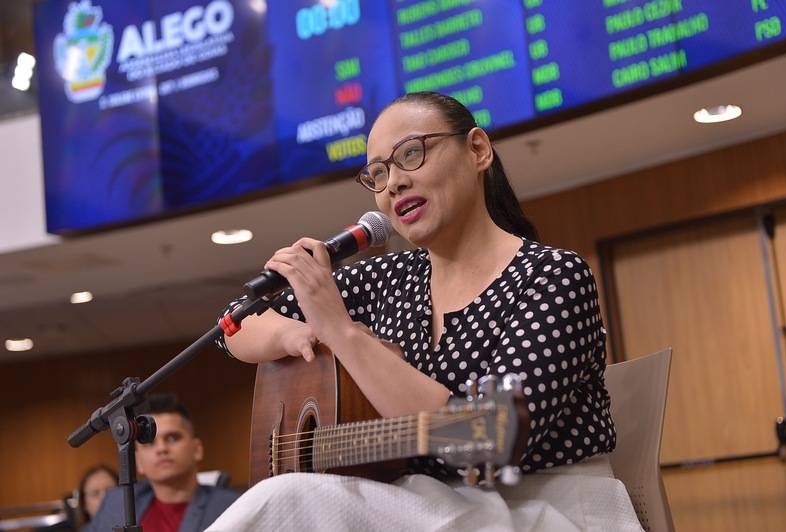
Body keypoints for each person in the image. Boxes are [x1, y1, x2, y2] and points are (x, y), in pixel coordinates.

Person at [208, 91, 643, 530]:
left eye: (411, 154)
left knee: (288, 498)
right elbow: (235, 323)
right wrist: (301, 334)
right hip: (427, 506)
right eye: (378, 173)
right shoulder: (389, 278)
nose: (393, 183)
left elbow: (490, 440)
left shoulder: (553, 275)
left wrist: (342, 331)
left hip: (544, 511)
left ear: (478, 149)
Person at [86, 393, 240, 532]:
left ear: (196, 449)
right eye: (149, 443)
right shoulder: (116, 502)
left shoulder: (232, 508)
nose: (161, 448)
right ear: (138, 461)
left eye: (172, 438)